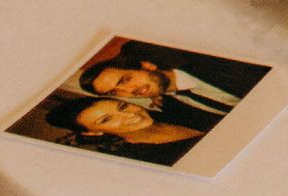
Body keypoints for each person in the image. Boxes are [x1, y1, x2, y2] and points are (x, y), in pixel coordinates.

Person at [77, 47, 244, 119]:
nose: (129, 91)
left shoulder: (213, 60)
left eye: (125, 79)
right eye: (115, 92)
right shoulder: (170, 109)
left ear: (146, 66)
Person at [57, 98, 203, 161]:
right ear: (93, 132)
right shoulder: (141, 160)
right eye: (107, 119)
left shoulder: (176, 109)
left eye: (122, 107)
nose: (128, 115)